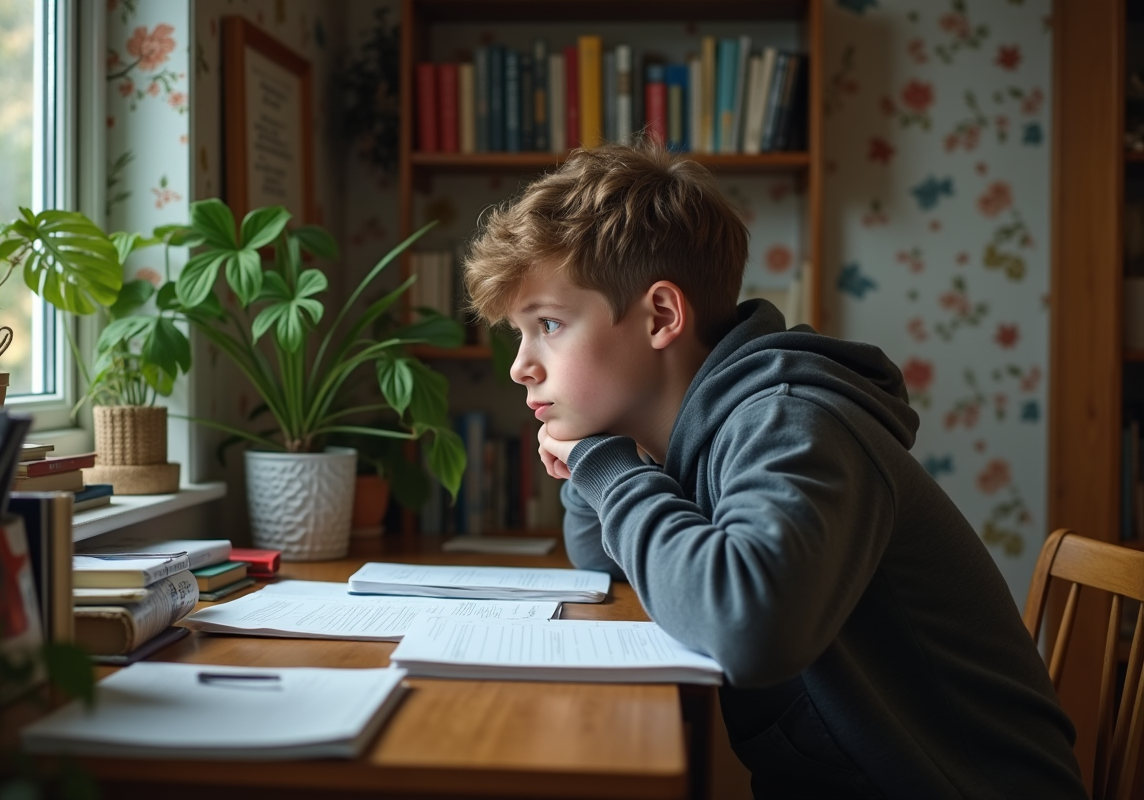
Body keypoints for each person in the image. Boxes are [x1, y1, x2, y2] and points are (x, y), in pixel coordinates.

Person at [462, 142, 1087, 799]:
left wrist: (611, 470)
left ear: (661, 316)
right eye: (520, 334)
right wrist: (603, 460)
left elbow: (747, 626)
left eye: (550, 325)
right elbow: (605, 563)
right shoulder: (698, 430)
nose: (521, 366)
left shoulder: (789, 421)